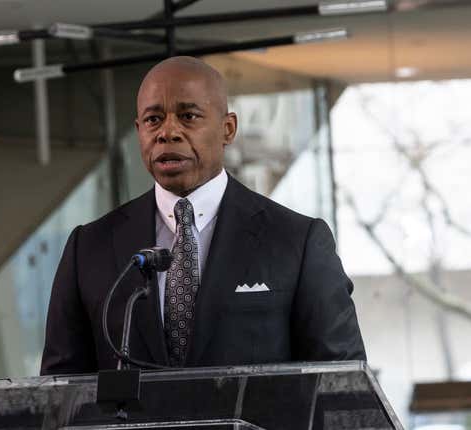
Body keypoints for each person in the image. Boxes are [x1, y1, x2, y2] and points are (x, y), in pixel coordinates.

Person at [40, 56, 366, 374]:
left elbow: (343, 384)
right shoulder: (89, 247)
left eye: (188, 116)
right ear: (139, 130)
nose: (168, 132)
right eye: (154, 120)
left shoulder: (298, 241)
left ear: (228, 129)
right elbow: (57, 393)